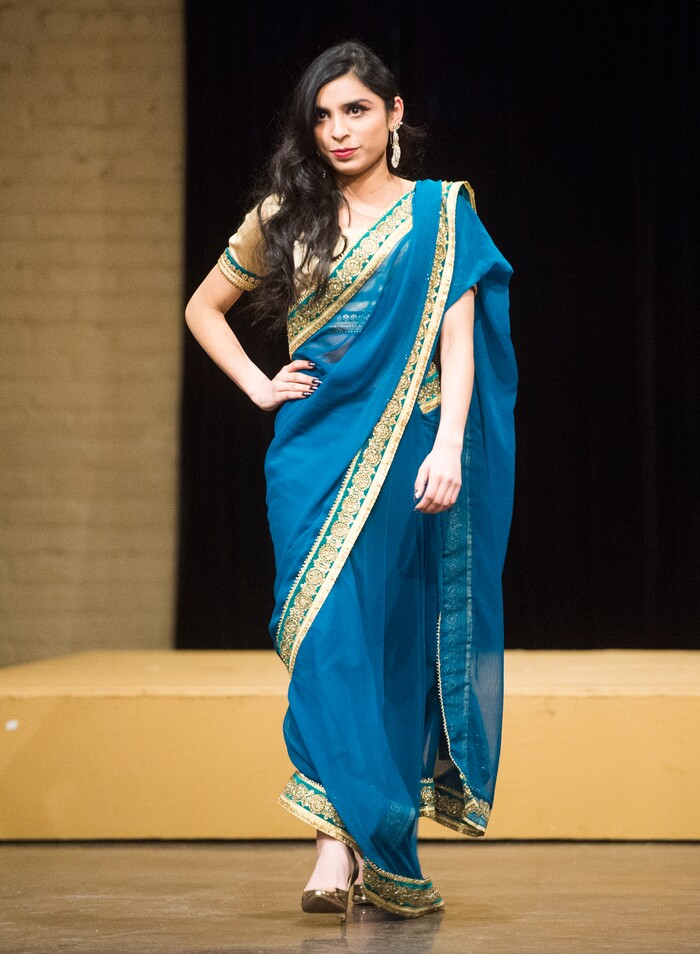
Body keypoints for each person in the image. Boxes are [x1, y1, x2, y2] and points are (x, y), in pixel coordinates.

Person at [185, 40, 517, 919]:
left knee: (390, 644)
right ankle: (337, 843)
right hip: (311, 455)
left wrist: (450, 446)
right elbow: (203, 307)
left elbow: (456, 338)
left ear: (394, 114)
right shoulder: (285, 214)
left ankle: (356, 844)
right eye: (323, 115)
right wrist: (258, 384)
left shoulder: (439, 214)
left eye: (357, 110)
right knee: (323, 640)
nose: (338, 130)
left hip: (410, 453)